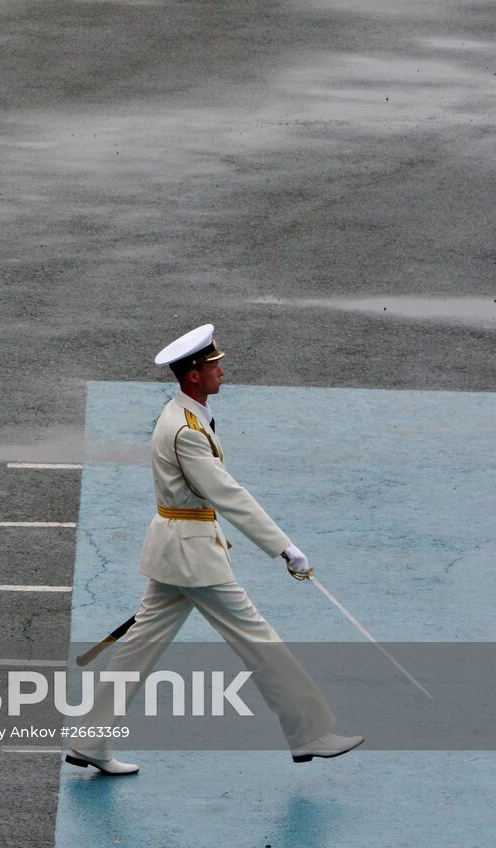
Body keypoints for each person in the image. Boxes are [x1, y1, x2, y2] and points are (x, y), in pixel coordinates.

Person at [64, 324, 362, 775]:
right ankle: (311, 732)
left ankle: (90, 741)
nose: (222, 370)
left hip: (175, 550)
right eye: (213, 365)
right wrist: (283, 547)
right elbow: (227, 493)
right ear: (193, 377)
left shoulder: (187, 416)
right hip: (194, 557)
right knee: (259, 641)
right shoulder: (185, 429)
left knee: (138, 649)